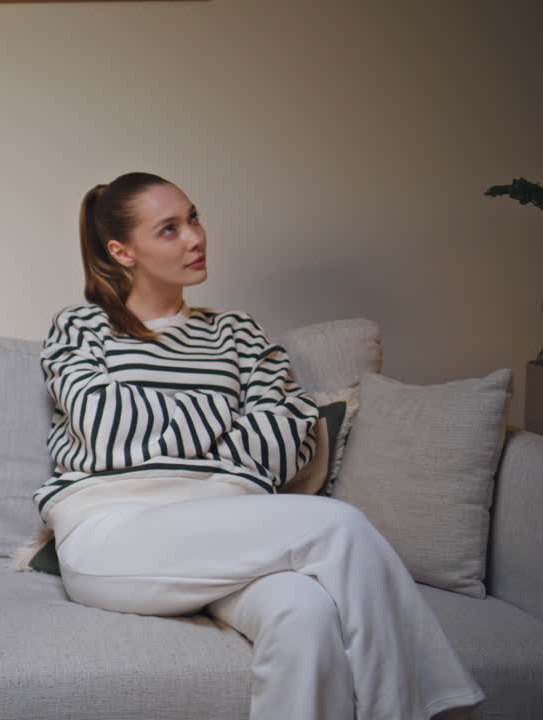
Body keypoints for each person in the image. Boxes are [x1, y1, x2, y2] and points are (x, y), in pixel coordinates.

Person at [34, 172, 483, 720]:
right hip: (117, 529)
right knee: (337, 525)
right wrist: (225, 408)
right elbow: (106, 430)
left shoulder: (238, 332)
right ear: (122, 251)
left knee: (306, 612)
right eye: (169, 229)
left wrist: (163, 421)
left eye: (193, 218)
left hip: (236, 526)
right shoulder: (81, 328)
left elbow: (290, 435)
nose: (195, 238)